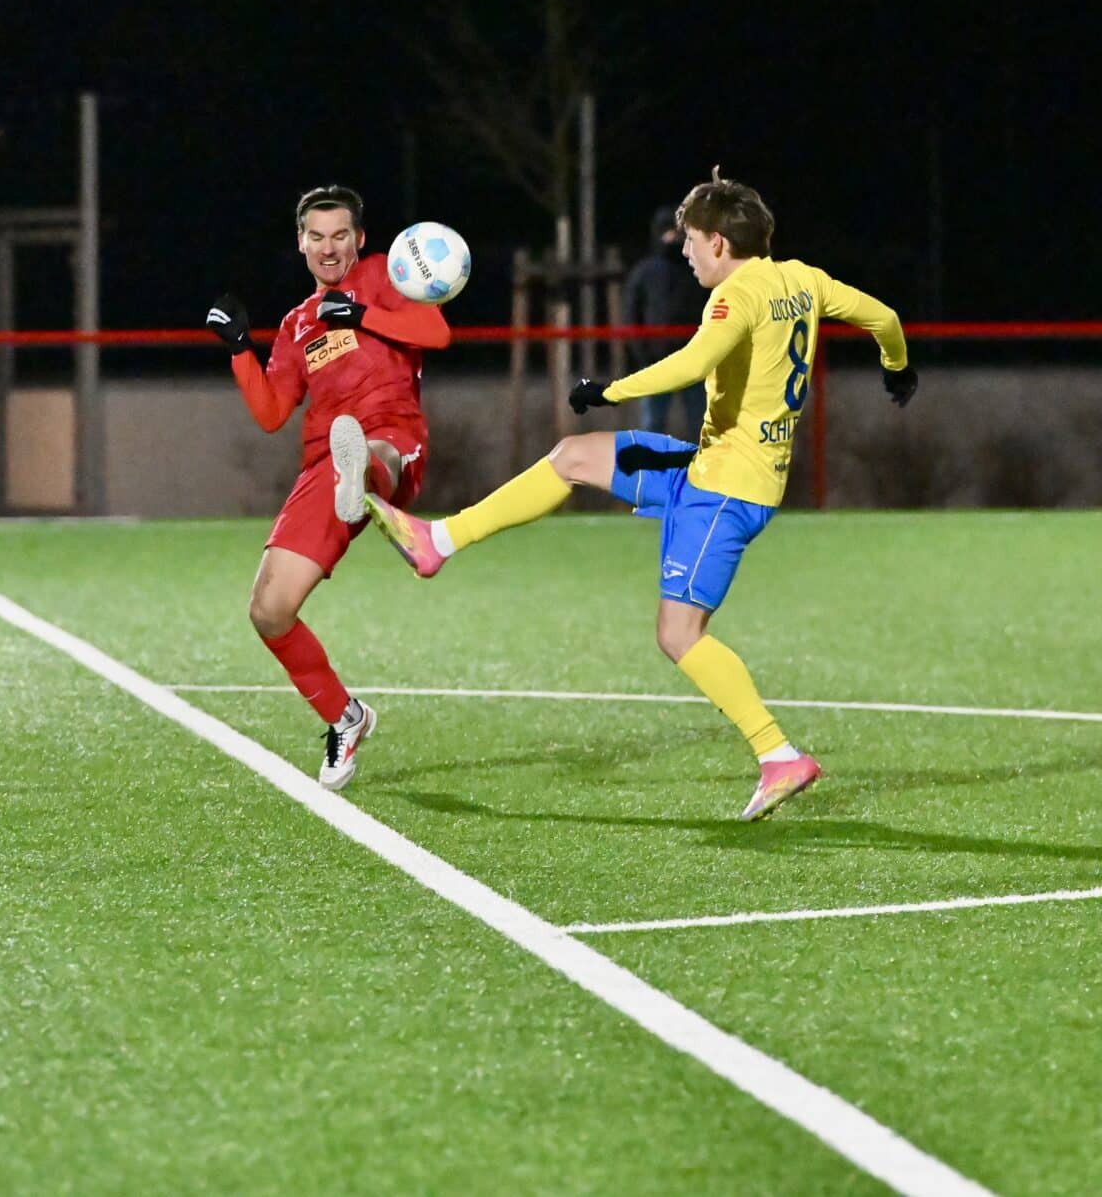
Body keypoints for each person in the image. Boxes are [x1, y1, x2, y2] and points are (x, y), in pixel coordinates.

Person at [363, 169, 918, 820]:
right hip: (709, 466)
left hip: (725, 493)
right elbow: (884, 316)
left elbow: (689, 362)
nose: (682, 252)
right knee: (573, 456)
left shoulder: (735, 296)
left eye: (689, 240)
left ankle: (778, 754)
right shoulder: (804, 279)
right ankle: (438, 540)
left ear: (717, 242)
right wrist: (897, 365)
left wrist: (608, 389)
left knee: (680, 634)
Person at [206, 186, 451, 789]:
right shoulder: (296, 327)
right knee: (268, 610)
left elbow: (436, 333)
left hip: (391, 439)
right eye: (316, 237)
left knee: (374, 451)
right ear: (301, 243)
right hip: (324, 467)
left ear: (359, 239)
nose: (328, 247)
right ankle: (346, 716)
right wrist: (240, 348)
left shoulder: (385, 276)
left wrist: (362, 314)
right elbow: (271, 413)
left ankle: (365, 476)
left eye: (340, 234)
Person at [621, 203, 706, 438]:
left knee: (700, 424)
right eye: (667, 230)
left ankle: (702, 474)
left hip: (692, 361)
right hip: (656, 361)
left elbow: (709, 309)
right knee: (652, 425)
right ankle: (651, 474)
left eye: (677, 230)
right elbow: (630, 313)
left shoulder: (696, 269)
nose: (672, 236)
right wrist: (642, 353)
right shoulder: (645, 271)